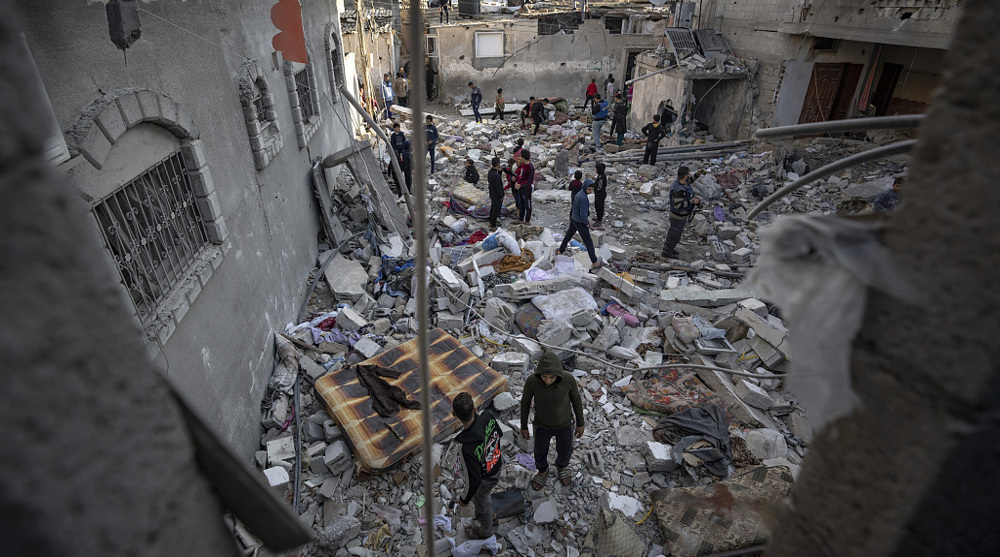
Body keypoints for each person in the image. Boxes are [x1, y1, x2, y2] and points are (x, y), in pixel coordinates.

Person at [520, 351, 585, 490]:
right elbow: (525, 403)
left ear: (558, 374)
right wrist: (523, 426)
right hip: (542, 425)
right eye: (544, 376)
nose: (548, 380)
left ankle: (562, 466)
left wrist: (580, 423)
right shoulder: (533, 381)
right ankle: (543, 470)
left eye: (552, 377)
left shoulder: (568, 380)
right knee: (540, 450)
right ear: (539, 374)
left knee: (565, 448)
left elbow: (576, 400)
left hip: (565, 424)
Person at [453, 392, 502, 540]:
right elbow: (498, 434)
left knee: (482, 503)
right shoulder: (487, 417)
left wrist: (464, 499)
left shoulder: (466, 448)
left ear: (454, 414)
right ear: (474, 410)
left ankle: (486, 531)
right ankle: (491, 516)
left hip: (486, 478)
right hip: (497, 464)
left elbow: (474, 480)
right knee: (485, 501)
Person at [661, 166, 702, 259]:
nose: (689, 176)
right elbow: (678, 205)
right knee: (674, 235)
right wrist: (692, 201)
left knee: (675, 235)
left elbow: (689, 181)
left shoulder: (681, 183)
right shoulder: (680, 190)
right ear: (685, 176)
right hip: (677, 216)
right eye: (688, 174)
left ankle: (670, 249)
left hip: (680, 216)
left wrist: (697, 174)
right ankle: (666, 252)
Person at [557, 179, 600, 268]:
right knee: (588, 242)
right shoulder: (584, 198)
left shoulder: (579, 194)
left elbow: (574, 207)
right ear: (585, 187)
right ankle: (595, 262)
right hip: (580, 222)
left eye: (592, 190)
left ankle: (560, 251)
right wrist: (587, 223)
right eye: (589, 189)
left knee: (568, 236)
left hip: (574, 219)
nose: (590, 191)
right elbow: (583, 214)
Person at [514, 150, 534, 223]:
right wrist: (516, 182)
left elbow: (530, 181)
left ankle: (527, 221)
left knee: (527, 206)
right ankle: (521, 220)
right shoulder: (522, 165)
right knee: (521, 205)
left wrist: (521, 185)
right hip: (520, 188)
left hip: (526, 189)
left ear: (523, 157)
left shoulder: (530, 167)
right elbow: (520, 175)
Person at [487, 157, 504, 230]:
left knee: (493, 208)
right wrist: (501, 195)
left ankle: (491, 222)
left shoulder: (491, 172)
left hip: (492, 193)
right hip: (496, 195)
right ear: (498, 164)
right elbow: (498, 187)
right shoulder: (496, 175)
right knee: (496, 210)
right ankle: (493, 226)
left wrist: (500, 172)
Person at [593, 162, 608, 228]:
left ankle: (599, 220)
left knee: (599, 207)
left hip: (600, 194)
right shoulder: (600, 175)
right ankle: (598, 218)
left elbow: (600, 187)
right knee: (597, 206)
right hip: (599, 194)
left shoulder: (601, 177)